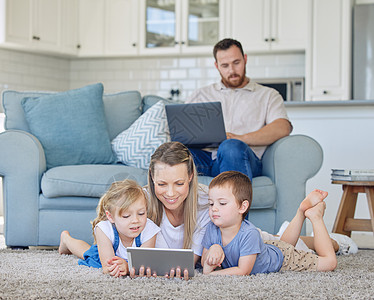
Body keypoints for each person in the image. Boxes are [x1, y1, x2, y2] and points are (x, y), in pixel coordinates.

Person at [186, 38, 292, 180]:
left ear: (245, 59)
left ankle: (236, 201)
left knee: (230, 146)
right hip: (206, 159)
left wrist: (240, 138)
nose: (232, 70)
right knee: (174, 153)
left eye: (236, 63)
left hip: (242, 158)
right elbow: (183, 129)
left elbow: (283, 127)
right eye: (225, 65)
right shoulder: (201, 94)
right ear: (217, 66)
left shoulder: (267, 95)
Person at [201, 171, 337, 275]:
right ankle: (301, 212)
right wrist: (212, 251)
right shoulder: (212, 229)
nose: (214, 208)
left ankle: (316, 216)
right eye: (211, 203)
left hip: (282, 259)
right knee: (285, 244)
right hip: (268, 248)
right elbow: (204, 264)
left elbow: (243, 271)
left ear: (242, 207)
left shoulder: (249, 233)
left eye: (222, 203)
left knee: (329, 263)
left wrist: (210, 275)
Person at [139, 141, 211, 279]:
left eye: (179, 183)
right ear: (152, 177)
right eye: (162, 184)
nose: (170, 193)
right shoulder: (141, 201)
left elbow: (189, 263)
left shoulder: (206, 202)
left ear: (190, 176)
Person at [59, 179, 160, 277]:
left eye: (141, 213)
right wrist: (120, 267)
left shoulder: (150, 229)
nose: (135, 220)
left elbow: (143, 264)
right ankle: (66, 239)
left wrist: (128, 267)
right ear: (111, 217)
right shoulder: (104, 229)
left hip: (127, 262)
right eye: (126, 216)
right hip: (106, 255)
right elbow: (107, 268)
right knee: (87, 253)